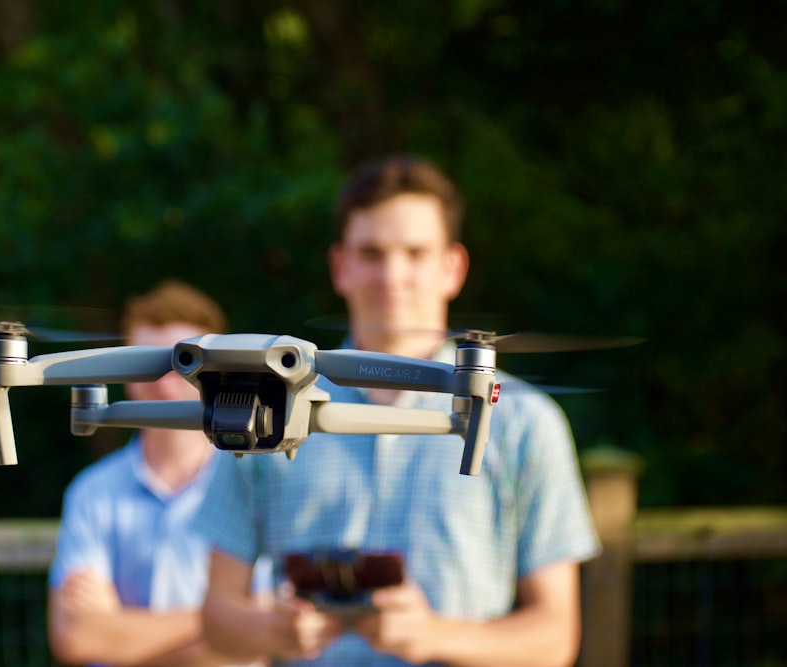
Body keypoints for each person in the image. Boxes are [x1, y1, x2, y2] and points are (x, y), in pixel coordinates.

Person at [195, 155, 602, 666]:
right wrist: (270, 629)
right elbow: (215, 620)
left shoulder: (523, 420)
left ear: (452, 268)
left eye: (415, 252)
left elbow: (555, 638)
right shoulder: (268, 411)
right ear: (340, 267)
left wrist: (434, 636)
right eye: (372, 252)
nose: (392, 275)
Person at [47, 279, 271, 667]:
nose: (164, 380)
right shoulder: (91, 491)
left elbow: (263, 639)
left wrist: (118, 632)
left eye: (183, 363)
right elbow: (76, 636)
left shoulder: (256, 485)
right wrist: (222, 621)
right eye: (146, 362)